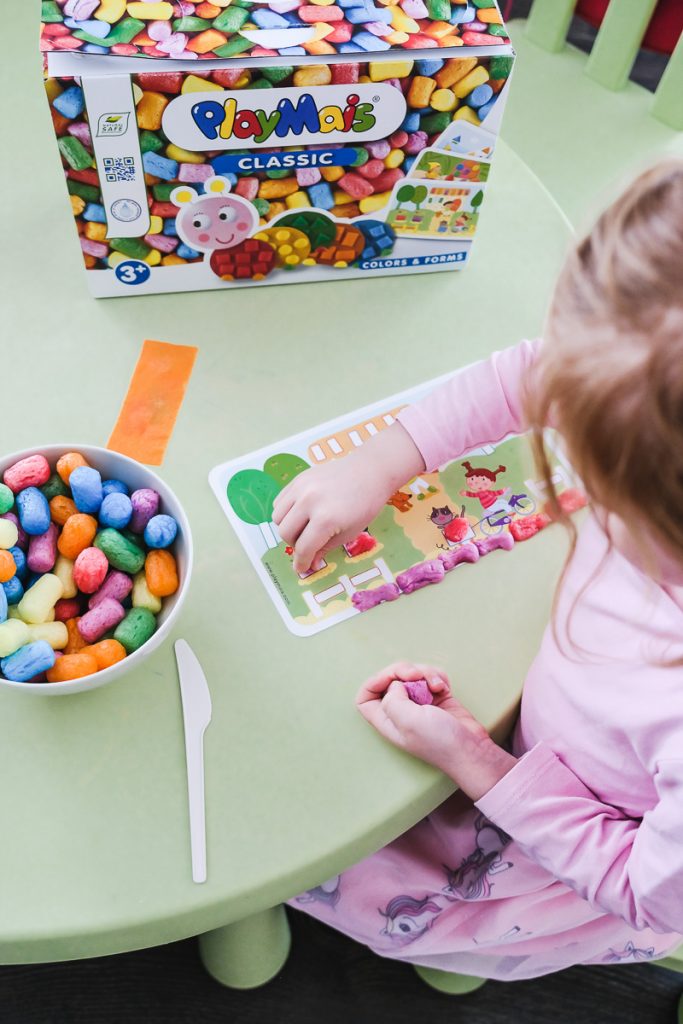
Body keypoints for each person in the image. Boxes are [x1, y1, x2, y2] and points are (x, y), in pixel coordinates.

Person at [272, 161, 683, 980]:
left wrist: (481, 765)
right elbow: (525, 375)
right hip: (534, 723)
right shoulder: (637, 371)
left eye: (598, 484)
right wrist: (387, 457)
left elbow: (643, 891)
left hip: (554, 859)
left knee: (312, 852)